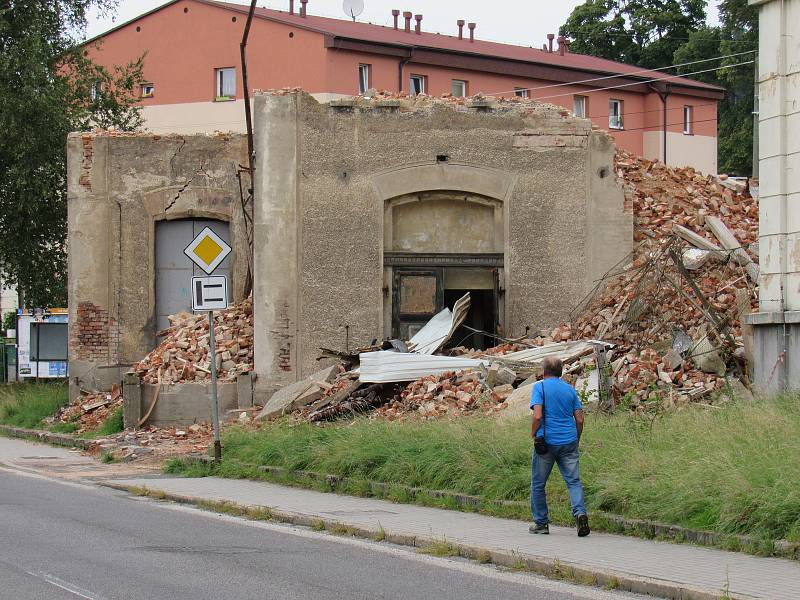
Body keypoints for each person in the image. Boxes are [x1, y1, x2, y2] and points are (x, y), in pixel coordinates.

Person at [529, 356, 590, 537]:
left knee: (538, 483)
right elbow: (579, 419)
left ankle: (541, 523)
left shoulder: (539, 387)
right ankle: (580, 514)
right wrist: (576, 439)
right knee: (573, 481)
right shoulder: (570, 390)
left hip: (546, 443)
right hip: (569, 441)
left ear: (544, 371)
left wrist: (533, 434)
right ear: (561, 371)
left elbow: (538, 416)